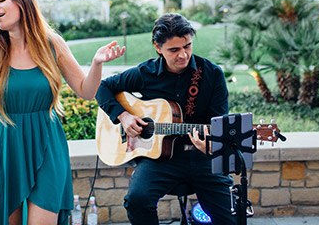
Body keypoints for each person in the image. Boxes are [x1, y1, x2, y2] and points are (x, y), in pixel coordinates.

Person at [0, 0, 124, 225]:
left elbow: (87, 91)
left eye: (1, 0)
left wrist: (97, 63)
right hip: (6, 146)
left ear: (22, 3)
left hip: (47, 142)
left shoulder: (52, 44)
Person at [95, 13, 235, 225]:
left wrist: (210, 145)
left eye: (187, 46)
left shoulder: (212, 74)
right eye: (174, 50)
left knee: (228, 217)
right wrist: (123, 117)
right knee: (136, 201)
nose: (183, 55)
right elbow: (101, 87)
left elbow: (219, 123)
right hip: (159, 160)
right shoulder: (145, 73)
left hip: (202, 157)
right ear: (158, 47)